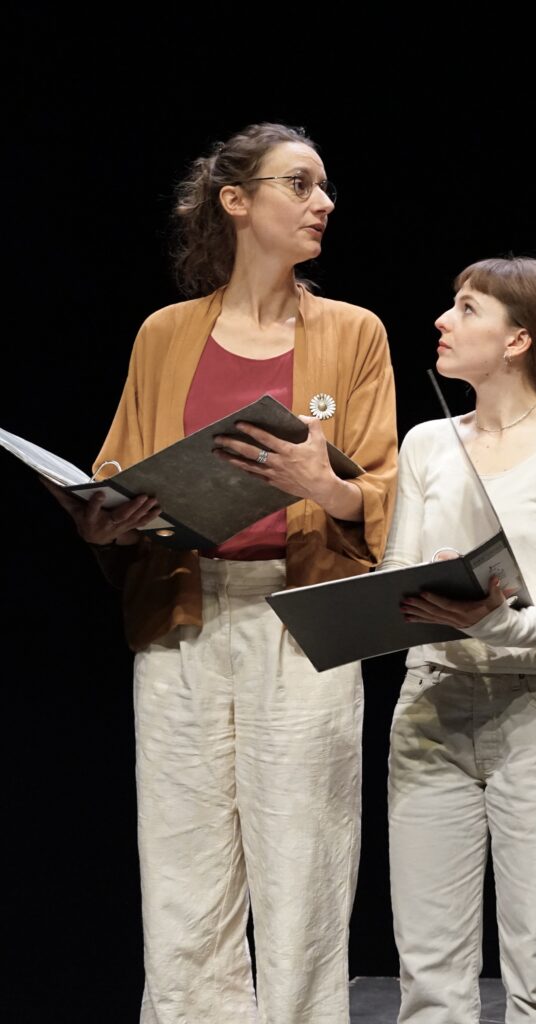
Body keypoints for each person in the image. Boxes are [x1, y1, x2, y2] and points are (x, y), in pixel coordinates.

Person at [44, 123, 398, 1023]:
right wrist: (107, 517)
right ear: (236, 202)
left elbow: (392, 483)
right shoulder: (164, 335)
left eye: (323, 187)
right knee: (184, 875)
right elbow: (118, 466)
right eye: (300, 184)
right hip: (184, 620)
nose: (323, 202)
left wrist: (331, 485)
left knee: (303, 871)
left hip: (301, 622)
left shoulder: (354, 333)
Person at [383, 256, 536, 1023]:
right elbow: (399, 575)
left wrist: (503, 623)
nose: (444, 323)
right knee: (430, 979)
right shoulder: (425, 443)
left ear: (518, 339)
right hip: (432, 704)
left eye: (467, 309)